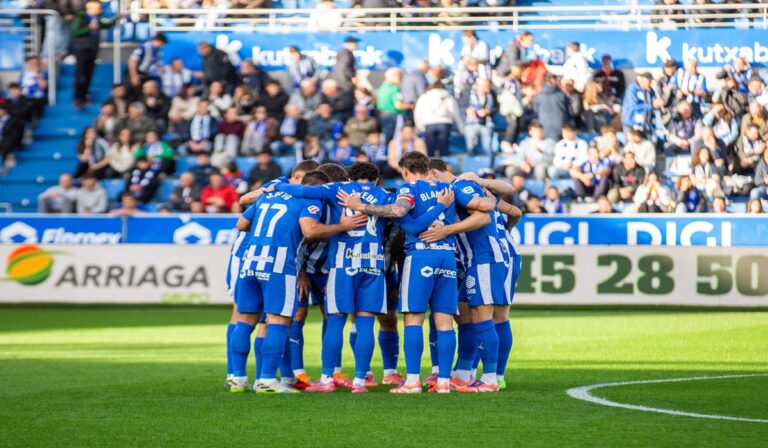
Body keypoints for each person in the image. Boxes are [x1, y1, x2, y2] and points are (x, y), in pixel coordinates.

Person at [336, 152, 462, 394]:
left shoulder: (408, 189)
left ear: (404, 170)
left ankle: (413, 381)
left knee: (413, 318)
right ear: (428, 168)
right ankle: (444, 382)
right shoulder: (447, 190)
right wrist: (440, 206)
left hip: (421, 255)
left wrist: (361, 206)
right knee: (445, 322)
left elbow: (403, 216)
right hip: (447, 255)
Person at [425, 160, 514, 393]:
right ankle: (463, 374)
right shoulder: (461, 188)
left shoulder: (460, 187)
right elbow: (514, 210)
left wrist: (446, 230)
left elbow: (483, 216)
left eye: (426, 178)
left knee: (483, 317)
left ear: (433, 173)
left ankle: (491, 378)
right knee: (464, 312)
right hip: (480, 259)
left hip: (485, 258)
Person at [70, 1, 119, 109]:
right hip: (82, 50)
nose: (100, 10)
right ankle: (78, 97)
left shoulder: (96, 19)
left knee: (89, 73)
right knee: (80, 73)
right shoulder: (81, 18)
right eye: (98, 7)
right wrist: (88, 28)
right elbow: (75, 31)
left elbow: (106, 25)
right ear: (90, 8)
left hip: (93, 49)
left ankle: (85, 95)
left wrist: (118, 18)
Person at [621, 72, 664, 140]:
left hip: (645, 124)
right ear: (641, 80)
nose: (650, 83)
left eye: (651, 81)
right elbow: (633, 106)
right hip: (631, 123)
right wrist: (651, 105)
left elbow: (654, 103)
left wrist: (658, 104)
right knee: (631, 146)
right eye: (648, 81)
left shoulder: (650, 91)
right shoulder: (632, 89)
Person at [533, 74, 572, 141]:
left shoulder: (538, 95)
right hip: (560, 128)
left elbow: (535, 111)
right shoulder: (561, 95)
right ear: (552, 80)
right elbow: (570, 110)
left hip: (543, 127)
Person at [463, 79, 496, 156]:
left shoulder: (492, 94)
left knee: (487, 147)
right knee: (470, 148)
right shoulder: (467, 93)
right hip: (470, 122)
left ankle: (488, 165)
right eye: (486, 87)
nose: (488, 89)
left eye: (489, 87)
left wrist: (488, 111)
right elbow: (460, 106)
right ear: (478, 86)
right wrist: (467, 110)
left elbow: (496, 108)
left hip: (487, 123)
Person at [376, 68, 409, 145]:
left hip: (382, 115)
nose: (401, 79)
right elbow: (398, 105)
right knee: (394, 139)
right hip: (393, 116)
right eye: (400, 76)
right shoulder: (394, 88)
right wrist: (411, 106)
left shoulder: (382, 87)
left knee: (387, 138)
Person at [18, 57, 48, 123]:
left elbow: (44, 86)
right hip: (25, 98)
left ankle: (33, 121)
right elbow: (20, 87)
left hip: (38, 99)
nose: (34, 65)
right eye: (32, 63)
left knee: (32, 104)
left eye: (36, 64)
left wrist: (36, 74)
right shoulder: (24, 74)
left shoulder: (43, 74)